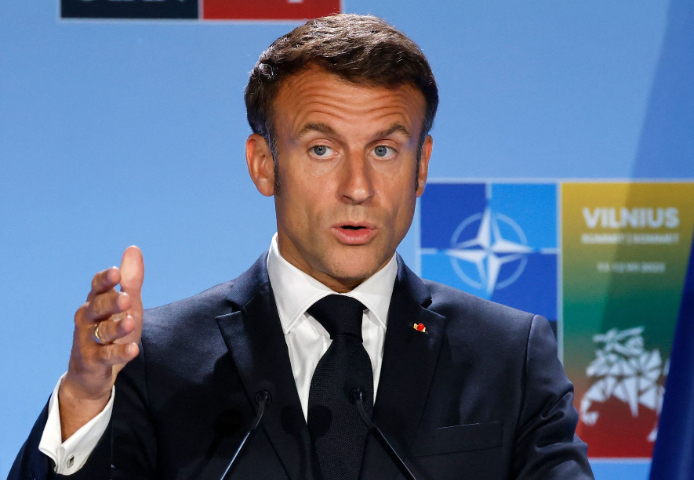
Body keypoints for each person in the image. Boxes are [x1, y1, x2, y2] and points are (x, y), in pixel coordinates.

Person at [9, 14, 593, 480]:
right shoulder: (154, 362)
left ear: (422, 166)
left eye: (385, 151)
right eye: (322, 149)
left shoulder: (509, 356)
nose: (358, 188)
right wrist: (85, 400)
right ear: (263, 164)